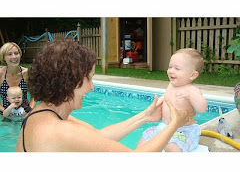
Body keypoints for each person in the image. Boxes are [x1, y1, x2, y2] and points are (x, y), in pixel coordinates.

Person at [15, 39, 196, 152]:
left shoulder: (43, 114)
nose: (92, 88)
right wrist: (174, 124)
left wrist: (145, 117)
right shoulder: (61, 131)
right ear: (71, 81)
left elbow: (98, 137)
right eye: (90, 79)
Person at [137, 48, 208, 152]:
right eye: (170, 67)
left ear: (192, 75)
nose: (171, 71)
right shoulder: (171, 85)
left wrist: (190, 96)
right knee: (144, 141)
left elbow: (202, 108)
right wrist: (158, 103)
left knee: (172, 147)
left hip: (183, 130)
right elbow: (166, 97)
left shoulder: (192, 90)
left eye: (177, 68)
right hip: (164, 127)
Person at [0, 42, 36, 117]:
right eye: (9, 54)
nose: (14, 57)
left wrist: (30, 110)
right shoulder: (1, 74)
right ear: (3, 58)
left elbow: (34, 95)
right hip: (4, 112)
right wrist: (4, 111)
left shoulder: (26, 73)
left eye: (16, 53)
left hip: (24, 112)